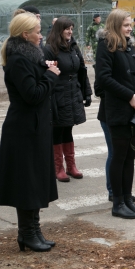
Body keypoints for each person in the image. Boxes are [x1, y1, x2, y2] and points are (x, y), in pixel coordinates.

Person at [0, 12, 61, 252]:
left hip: (35, 127)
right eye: (37, 31)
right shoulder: (18, 60)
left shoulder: (30, 56)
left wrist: (45, 68)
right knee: (26, 183)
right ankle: (27, 233)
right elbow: (32, 95)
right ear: (25, 35)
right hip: (23, 130)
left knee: (35, 181)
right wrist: (51, 76)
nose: (41, 34)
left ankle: (34, 230)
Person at [95, 9, 135, 220]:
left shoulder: (128, 46)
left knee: (130, 156)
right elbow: (104, 79)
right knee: (119, 157)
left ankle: (127, 199)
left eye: (130, 25)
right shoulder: (105, 46)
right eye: (125, 25)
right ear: (115, 25)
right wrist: (130, 96)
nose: (130, 28)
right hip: (117, 110)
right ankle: (117, 203)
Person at [43, 17, 92, 183]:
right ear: (59, 30)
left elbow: (82, 71)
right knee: (58, 129)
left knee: (68, 129)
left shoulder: (73, 46)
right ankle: (58, 168)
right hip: (58, 93)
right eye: (66, 29)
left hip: (73, 92)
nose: (70, 32)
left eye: (71, 28)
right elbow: (45, 73)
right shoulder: (50, 49)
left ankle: (71, 166)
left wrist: (87, 92)